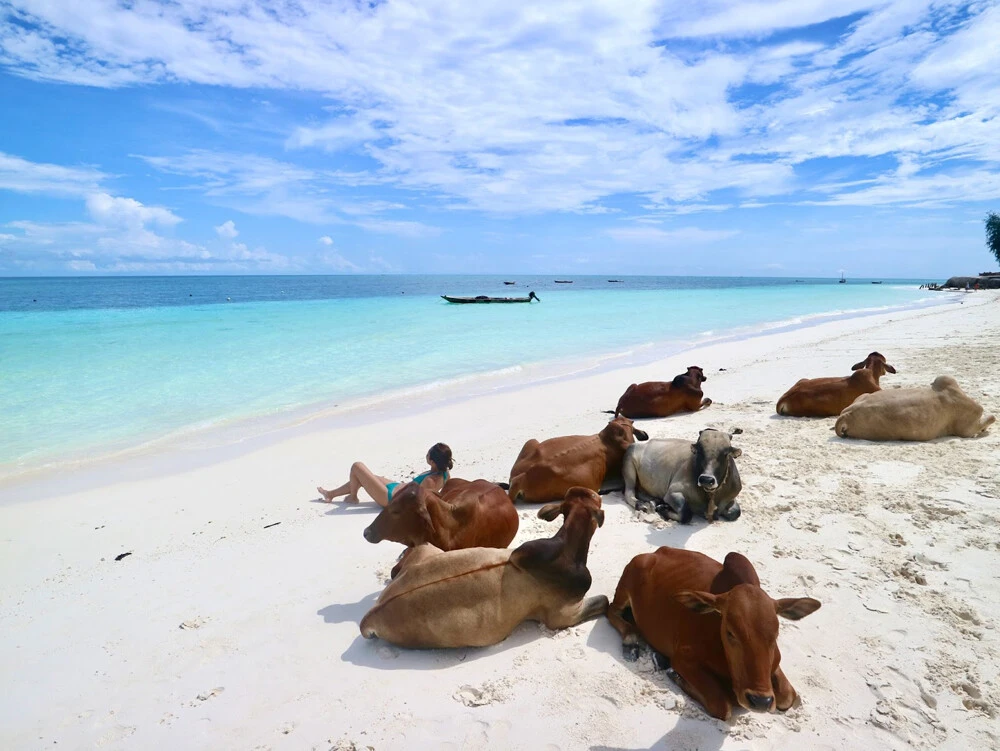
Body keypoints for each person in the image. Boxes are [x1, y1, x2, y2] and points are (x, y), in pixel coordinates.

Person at [317, 442, 453, 507]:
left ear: (433, 462)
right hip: (397, 488)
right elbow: (446, 492)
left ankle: (353, 497)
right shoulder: (445, 473)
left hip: (390, 498)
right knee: (366, 476)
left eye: (428, 454)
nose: (426, 454)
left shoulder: (430, 481)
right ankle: (331, 494)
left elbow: (419, 504)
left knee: (357, 466)